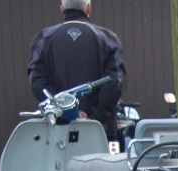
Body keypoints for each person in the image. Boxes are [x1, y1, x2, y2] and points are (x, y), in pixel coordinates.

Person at [28, 0, 127, 142]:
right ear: (88, 9)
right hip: (100, 133)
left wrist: (63, 112)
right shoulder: (108, 39)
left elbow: (37, 82)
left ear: (62, 9)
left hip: (58, 132)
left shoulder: (43, 39)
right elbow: (116, 82)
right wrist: (94, 117)